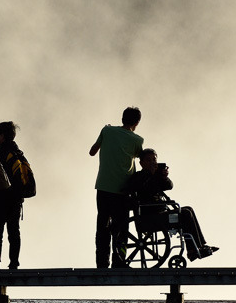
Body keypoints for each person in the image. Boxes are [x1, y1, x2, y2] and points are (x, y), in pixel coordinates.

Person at [126, 148, 218, 261]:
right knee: (185, 213)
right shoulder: (138, 177)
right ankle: (192, 250)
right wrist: (149, 174)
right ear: (141, 163)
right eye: (149, 160)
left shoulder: (156, 176)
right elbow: (139, 187)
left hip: (160, 214)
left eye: (154, 160)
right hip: (150, 218)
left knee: (188, 209)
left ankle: (200, 245)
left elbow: (169, 186)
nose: (152, 163)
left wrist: (164, 176)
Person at [89, 106, 144, 269]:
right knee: (121, 228)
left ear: (122, 118)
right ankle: (119, 261)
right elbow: (141, 160)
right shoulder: (137, 140)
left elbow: (92, 152)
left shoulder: (107, 131)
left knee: (102, 226)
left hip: (103, 187)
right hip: (122, 190)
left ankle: (101, 263)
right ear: (137, 122)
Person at [0, 121, 24, 270]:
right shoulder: (18, 153)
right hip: (16, 199)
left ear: (2, 136)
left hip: (0, 198)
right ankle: (14, 263)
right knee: (14, 232)